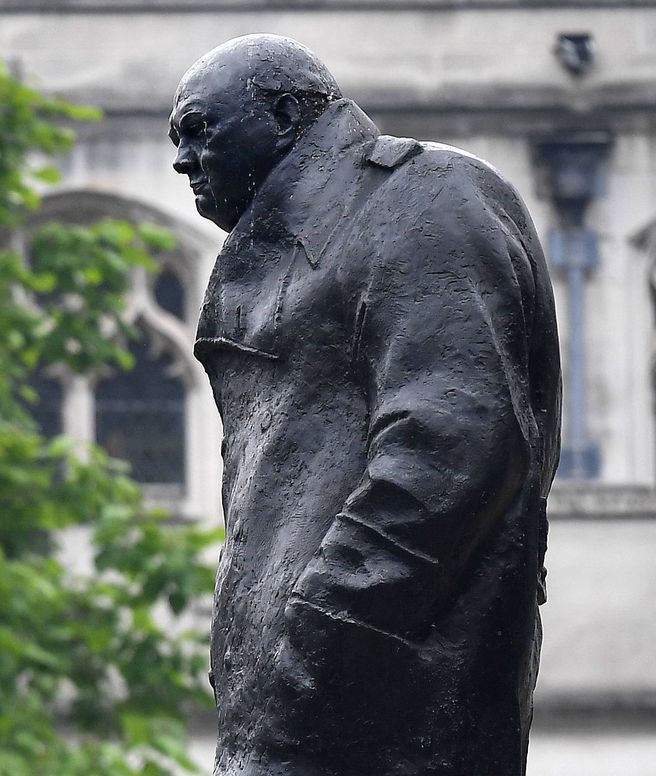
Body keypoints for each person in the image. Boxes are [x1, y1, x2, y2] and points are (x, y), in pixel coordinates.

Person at [170, 34, 561, 775]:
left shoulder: (424, 199)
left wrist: (315, 641)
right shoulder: (297, 247)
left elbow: (454, 448)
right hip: (295, 716)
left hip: (372, 714)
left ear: (285, 115)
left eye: (198, 130)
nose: (183, 161)